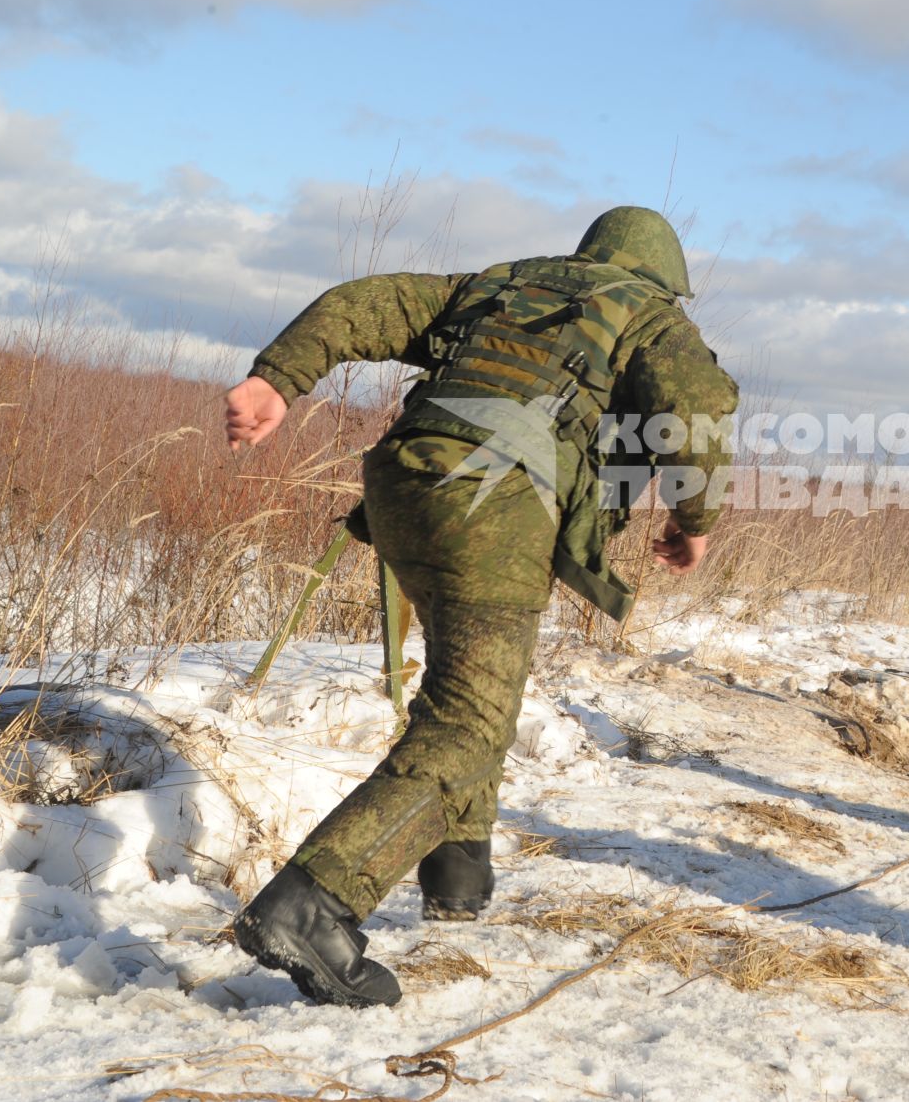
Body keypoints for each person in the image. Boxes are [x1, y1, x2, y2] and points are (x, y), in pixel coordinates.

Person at [222, 206, 738, 1006]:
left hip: (401, 486)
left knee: (469, 688)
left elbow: (360, 302)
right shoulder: (646, 315)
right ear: (665, 278)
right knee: (469, 720)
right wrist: (694, 518)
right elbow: (696, 406)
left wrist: (276, 378)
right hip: (493, 504)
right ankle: (312, 903)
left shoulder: (497, 286)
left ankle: (458, 868)